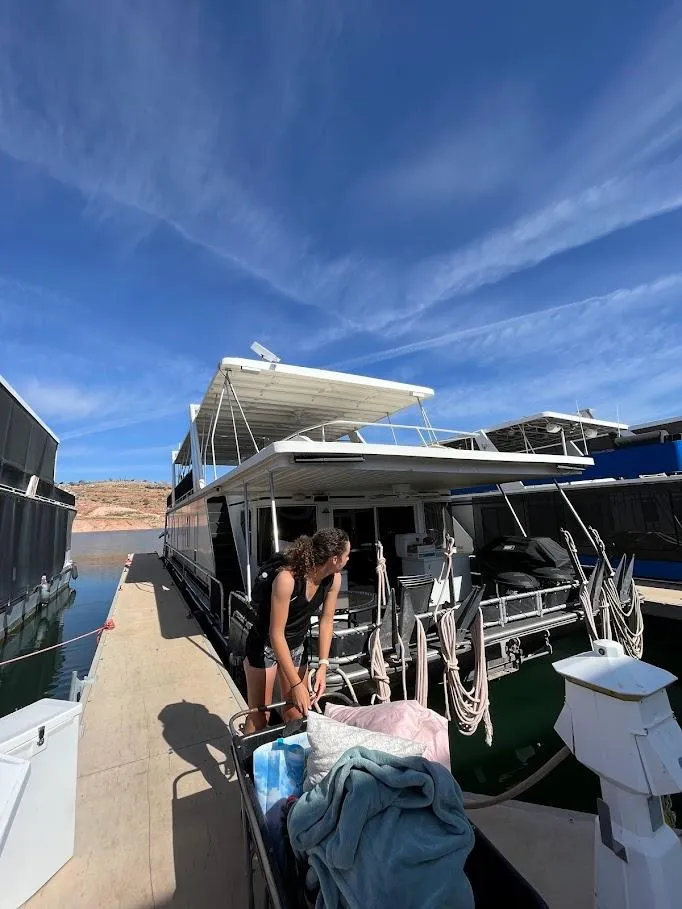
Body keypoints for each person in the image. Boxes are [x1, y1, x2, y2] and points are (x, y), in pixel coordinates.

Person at [243, 527, 350, 731]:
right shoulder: (287, 580)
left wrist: (323, 666)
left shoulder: (334, 579)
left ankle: (294, 757)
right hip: (264, 645)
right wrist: (295, 684)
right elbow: (276, 634)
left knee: (296, 712)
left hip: (296, 646)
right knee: (260, 715)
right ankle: (248, 760)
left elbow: (326, 621)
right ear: (335, 559)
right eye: (347, 555)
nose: (348, 559)